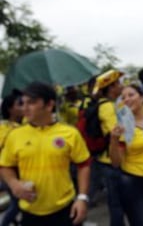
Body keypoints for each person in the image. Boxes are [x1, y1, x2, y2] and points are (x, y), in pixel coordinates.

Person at [0, 81, 90, 226]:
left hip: (65, 210)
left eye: (32, 103)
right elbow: (5, 165)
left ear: (49, 105)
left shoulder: (70, 133)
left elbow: (83, 165)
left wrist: (82, 197)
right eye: (23, 103)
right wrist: (14, 184)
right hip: (30, 212)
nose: (25, 108)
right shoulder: (14, 135)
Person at [109, 84, 143, 226]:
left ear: (142, 97)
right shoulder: (123, 126)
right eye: (123, 97)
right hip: (134, 182)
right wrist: (113, 140)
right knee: (140, 222)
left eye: (131, 95)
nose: (127, 99)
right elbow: (115, 163)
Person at [91, 69, 126, 226]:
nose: (121, 86)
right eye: (118, 84)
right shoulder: (107, 107)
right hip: (110, 160)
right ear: (111, 88)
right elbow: (117, 132)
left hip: (109, 159)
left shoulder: (111, 105)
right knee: (116, 204)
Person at [0, 90, 24, 226]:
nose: (23, 107)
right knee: (17, 205)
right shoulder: (5, 128)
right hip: (10, 174)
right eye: (19, 104)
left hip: (19, 172)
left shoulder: (19, 126)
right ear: (10, 109)